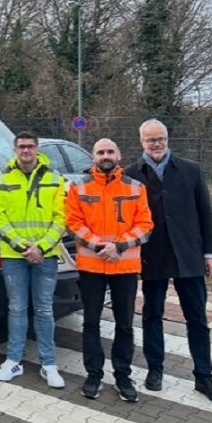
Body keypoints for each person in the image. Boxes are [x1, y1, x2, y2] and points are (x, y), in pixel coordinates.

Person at [126, 119, 212, 404]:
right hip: (152, 256)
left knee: (197, 318)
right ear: (141, 141)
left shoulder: (191, 171)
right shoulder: (131, 175)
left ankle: (204, 376)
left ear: (167, 139)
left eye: (160, 139)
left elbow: (205, 214)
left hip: (188, 255)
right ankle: (155, 369)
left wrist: (211, 253)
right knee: (151, 315)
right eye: (150, 140)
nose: (156, 144)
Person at [66, 138, 153, 403]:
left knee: (124, 324)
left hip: (124, 265)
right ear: (93, 157)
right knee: (91, 322)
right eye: (100, 152)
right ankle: (93, 375)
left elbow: (145, 225)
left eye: (110, 151)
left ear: (119, 155)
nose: (105, 155)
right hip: (91, 266)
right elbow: (72, 223)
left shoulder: (136, 187)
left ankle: (123, 376)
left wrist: (119, 246)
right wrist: (98, 245)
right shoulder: (78, 186)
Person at [0, 131, 67, 388]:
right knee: (17, 308)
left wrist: (41, 248)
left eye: (30, 146)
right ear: (14, 149)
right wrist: (22, 246)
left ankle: (49, 363)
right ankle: (13, 360)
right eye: (21, 147)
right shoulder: (1, 179)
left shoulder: (56, 180)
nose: (26, 151)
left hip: (45, 256)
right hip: (14, 255)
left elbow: (62, 218)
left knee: (44, 309)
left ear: (37, 149)